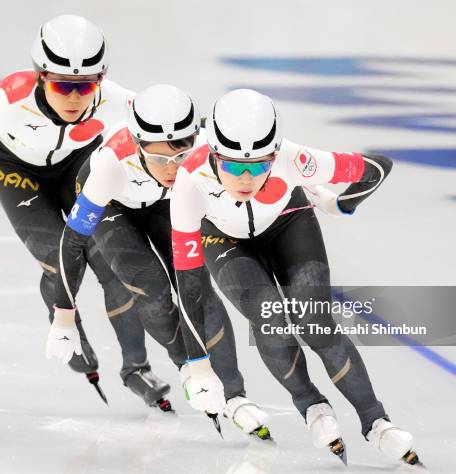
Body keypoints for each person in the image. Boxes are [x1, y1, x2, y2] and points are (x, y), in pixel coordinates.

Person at [170, 89, 421, 465]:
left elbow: (378, 167)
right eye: (232, 165)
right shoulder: (189, 181)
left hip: (290, 223)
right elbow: (189, 284)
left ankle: (376, 422)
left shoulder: (296, 160)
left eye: (257, 166)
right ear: (213, 155)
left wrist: (340, 203)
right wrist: (199, 364)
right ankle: (311, 405)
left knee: (316, 321)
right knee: (268, 316)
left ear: (274, 155)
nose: (245, 176)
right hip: (222, 238)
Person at [0, 14, 165, 403]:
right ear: (40, 76)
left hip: (75, 162)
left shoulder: (114, 99)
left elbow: (168, 128)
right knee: (60, 257)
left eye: (86, 86)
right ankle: (66, 326)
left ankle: (137, 368)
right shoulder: (5, 101)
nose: (74, 96)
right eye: (62, 84)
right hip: (14, 168)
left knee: (112, 262)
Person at [47, 84, 271, 436]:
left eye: (179, 158)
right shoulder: (110, 165)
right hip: (114, 205)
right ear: (137, 144)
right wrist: (63, 317)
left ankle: (235, 395)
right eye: (158, 158)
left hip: (165, 203)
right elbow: (72, 242)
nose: (170, 169)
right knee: (150, 284)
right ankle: (188, 368)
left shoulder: (210, 146)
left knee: (199, 289)